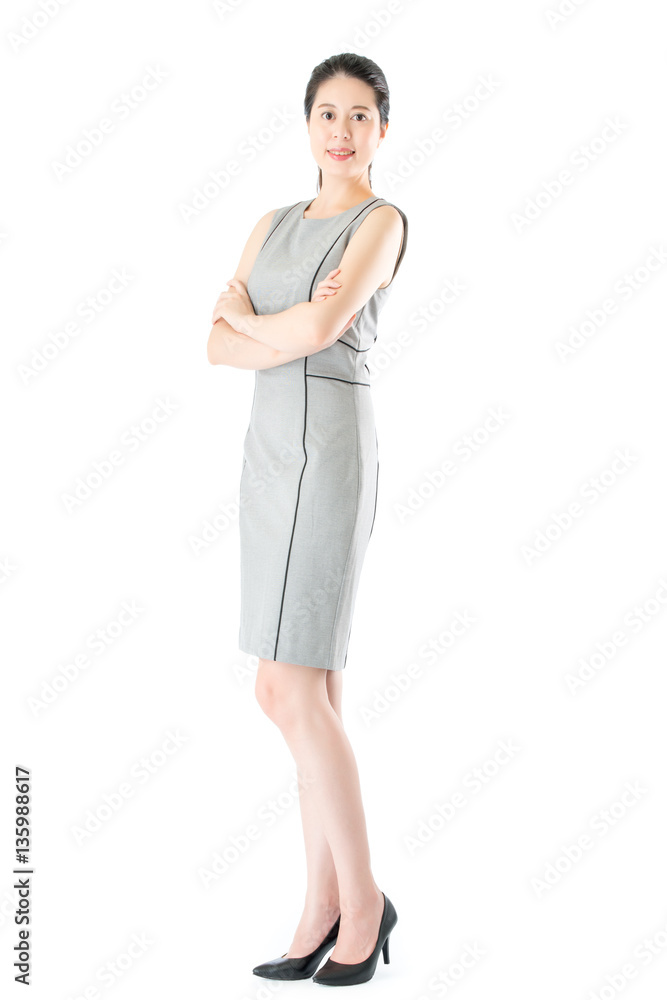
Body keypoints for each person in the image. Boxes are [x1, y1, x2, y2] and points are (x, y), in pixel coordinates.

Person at [207, 52, 408, 987]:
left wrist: (258, 320)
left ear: (381, 130)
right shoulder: (272, 223)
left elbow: (315, 334)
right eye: (327, 112)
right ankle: (323, 902)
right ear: (306, 123)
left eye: (359, 115)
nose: (341, 130)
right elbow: (214, 344)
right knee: (306, 692)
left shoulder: (380, 221)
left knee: (284, 690)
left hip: (327, 454)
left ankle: (362, 903)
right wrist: (267, 326)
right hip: (265, 457)